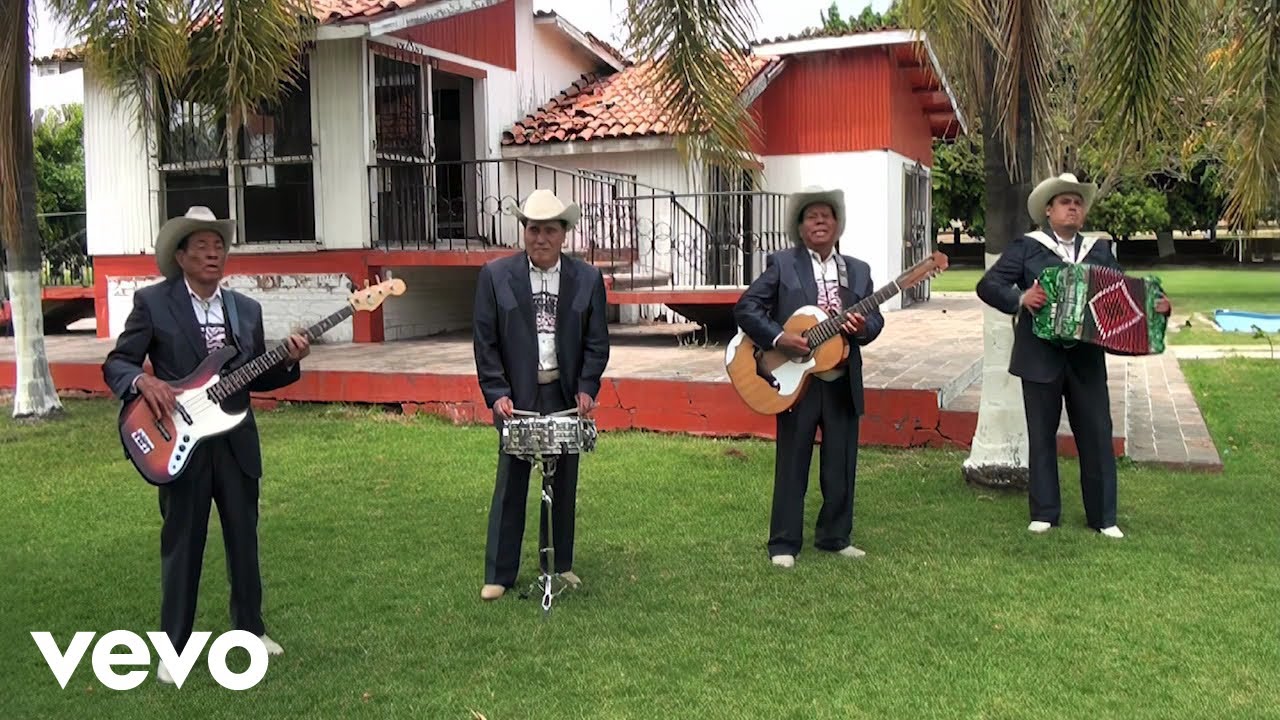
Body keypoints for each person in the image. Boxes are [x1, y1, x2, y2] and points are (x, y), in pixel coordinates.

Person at [102, 206, 310, 683]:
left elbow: (257, 375)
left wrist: (292, 360)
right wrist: (141, 383)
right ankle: (172, 649)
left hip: (236, 442)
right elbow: (118, 363)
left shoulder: (246, 310)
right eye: (202, 248)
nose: (213, 255)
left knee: (244, 540)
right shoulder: (153, 304)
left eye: (219, 248)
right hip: (181, 442)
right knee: (183, 545)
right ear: (180, 256)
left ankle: (251, 630)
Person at [976, 173, 1172, 538]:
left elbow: (1122, 295)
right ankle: (1045, 512)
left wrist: (1155, 308)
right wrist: (1021, 299)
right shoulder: (1026, 248)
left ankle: (1103, 517)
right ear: (1048, 211)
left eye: (1078, 203)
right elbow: (988, 285)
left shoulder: (1098, 251)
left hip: (1086, 357)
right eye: (1065, 202)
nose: (1073, 207)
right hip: (1039, 355)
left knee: (1097, 433)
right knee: (1041, 434)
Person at [733, 185, 884, 569]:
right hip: (794, 380)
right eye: (811, 216)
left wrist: (862, 327)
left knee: (841, 463)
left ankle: (835, 537)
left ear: (838, 225)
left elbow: (875, 322)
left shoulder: (859, 270)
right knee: (792, 463)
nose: (820, 221)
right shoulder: (783, 265)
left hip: (841, 378)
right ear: (799, 228)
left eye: (827, 215)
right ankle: (784, 543)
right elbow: (747, 307)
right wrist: (780, 338)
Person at [472, 189, 610, 601]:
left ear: (564, 234)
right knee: (511, 481)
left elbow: (597, 342)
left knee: (563, 482)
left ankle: (560, 564)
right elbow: (486, 341)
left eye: (550, 229)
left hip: (564, 395)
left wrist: (587, 387)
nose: (540, 238)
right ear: (524, 231)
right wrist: (496, 392)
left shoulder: (587, 279)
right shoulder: (496, 277)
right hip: (517, 397)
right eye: (533, 229)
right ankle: (499, 573)